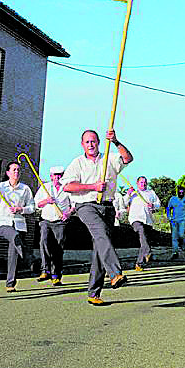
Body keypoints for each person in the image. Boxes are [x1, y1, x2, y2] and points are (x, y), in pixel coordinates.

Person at [61, 128, 133, 306]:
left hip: (107, 206)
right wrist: (93, 186)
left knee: (101, 247)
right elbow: (68, 186)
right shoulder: (77, 162)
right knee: (101, 235)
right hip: (86, 205)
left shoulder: (109, 157)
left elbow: (128, 158)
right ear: (82, 144)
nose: (91, 145)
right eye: (87, 142)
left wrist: (116, 141)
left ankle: (94, 293)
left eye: (93, 141)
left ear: (99, 142)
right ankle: (115, 273)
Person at [0, 161, 36, 292]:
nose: (16, 172)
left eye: (18, 170)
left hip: (19, 223)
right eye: (13, 170)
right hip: (3, 223)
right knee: (14, 236)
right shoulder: (0, 187)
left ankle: (10, 283)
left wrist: (21, 209)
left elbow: (32, 208)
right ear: (8, 173)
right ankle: (29, 259)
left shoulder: (25, 189)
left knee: (13, 254)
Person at [34, 165, 72, 286]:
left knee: (58, 249)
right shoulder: (44, 187)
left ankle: (56, 275)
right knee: (44, 242)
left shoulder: (67, 188)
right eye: (55, 175)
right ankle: (45, 270)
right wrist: (47, 201)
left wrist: (68, 213)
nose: (58, 177)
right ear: (51, 176)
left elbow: (74, 205)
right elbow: (36, 204)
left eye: (60, 175)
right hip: (46, 220)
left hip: (60, 222)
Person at [126, 176, 160, 272]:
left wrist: (153, 205)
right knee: (141, 232)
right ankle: (148, 252)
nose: (143, 184)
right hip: (136, 219)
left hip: (147, 220)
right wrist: (128, 195)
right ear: (137, 183)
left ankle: (139, 263)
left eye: (145, 182)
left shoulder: (151, 193)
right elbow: (124, 203)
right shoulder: (133, 193)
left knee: (144, 241)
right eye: (141, 182)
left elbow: (158, 204)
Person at [166, 186, 185, 260]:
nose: (181, 193)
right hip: (174, 221)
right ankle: (175, 252)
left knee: (181, 235)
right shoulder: (173, 199)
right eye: (179, 192)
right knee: (174, 237)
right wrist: (169, 217)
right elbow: (168, 208)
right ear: (177, 192)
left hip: (182, 220)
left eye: (182, 192)